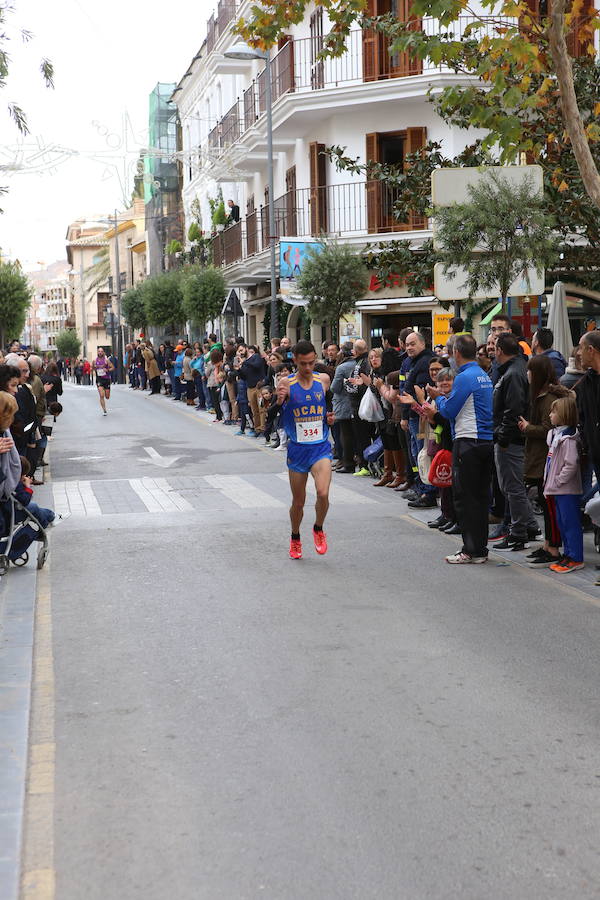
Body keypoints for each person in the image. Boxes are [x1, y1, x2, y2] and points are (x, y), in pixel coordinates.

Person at [427, 334, 494, 564]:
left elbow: (448, 411)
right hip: (485, 441)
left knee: (466, 499)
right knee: (480, 498)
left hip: (468, 442)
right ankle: (479, 549)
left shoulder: (464, 377)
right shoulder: (484, 375)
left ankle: (470, 549)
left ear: (456, 353)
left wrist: (438, 398)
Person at [275, 340, 334, 560]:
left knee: (323, 493)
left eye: (311, 363)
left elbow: (327, 406)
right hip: (298, 449)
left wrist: (330, 417)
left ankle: (318, 528)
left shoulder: (324, 380)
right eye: (303, 364)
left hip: (320, 448)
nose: (308, 368)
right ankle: (295, 536)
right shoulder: (286, 382)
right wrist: (279, 401)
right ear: (295, 361)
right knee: (298, 502)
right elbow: (274, 412)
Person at [517, 355, 570, 566]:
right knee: (544, 502)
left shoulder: (547, 398)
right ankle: (548, 544)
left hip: (546, 459)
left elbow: (549, 429)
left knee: (549, 507)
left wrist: (527, 428)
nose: (527, 374)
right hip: (539, 457)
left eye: (530, 371)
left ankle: (554, 548)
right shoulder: (539, 395)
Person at [491, 332, 538, 551]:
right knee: (511, 486)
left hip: (511, 440)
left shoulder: (513, 373)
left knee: (512, 487)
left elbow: (514, 409)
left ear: (500, 350)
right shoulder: (513, 370)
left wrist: (502, 438)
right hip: (511, 438)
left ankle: (518, 532)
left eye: (494, 346)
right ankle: (528, 525)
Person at [543, 395, 584, 573]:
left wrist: (558, 480)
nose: (550, 414)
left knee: (570, 523)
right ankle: (568, 555)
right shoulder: (556, 435)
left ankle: (575, 557)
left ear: (564, 414)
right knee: (562, 522)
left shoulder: (569, 439)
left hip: (566, 489)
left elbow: (571, 464)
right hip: (557, 489)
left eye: (554, 412)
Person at [399, 332, 436, 508]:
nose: (409, 348)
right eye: (407, 344)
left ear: (422, 344)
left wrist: (406, 415)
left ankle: (427, 492)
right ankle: (421, 488)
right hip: (413, 414)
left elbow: (416, 391)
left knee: (422, 454)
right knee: (417, 454)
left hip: (419, 416)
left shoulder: (424, 361)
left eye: (413, 344)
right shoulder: (411, 361)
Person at [93, 347, 114, 416]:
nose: (100, 352)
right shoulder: (95, 360)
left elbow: (113, 367)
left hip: (106, 379)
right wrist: (94, 367)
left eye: (101, 351)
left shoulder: (106, 360)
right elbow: (92, 368)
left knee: (107, 396)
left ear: (103, 352)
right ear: (97, 352)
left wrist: (107, 370)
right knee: (101, 395)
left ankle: (105, 391)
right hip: (99, 379)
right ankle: (104, 410)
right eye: (99, 351)